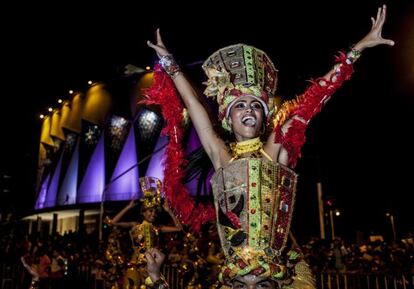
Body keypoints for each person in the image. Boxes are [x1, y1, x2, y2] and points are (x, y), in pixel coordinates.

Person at [146, 5, 394, 289]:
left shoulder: (274, 149)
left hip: (278, 275)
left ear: (264, 116)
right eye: (240, 105)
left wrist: (357, 49)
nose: (249, 110)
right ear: (227, 119)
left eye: (256, 105)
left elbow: (313, 100)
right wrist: (170, 64)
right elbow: (194, 106)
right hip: (237, 274)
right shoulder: (222, 158)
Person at [107, 176, 183, 289]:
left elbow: (179, 228)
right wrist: (128, 207)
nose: (153, 214)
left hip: (151, 267)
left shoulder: (157, 228)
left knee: (161, 287)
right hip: (135, 265)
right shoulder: (135, 226)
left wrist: (169, 211)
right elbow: (112, 222)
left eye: (155, 212)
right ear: (143, 212)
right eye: (150, 211)